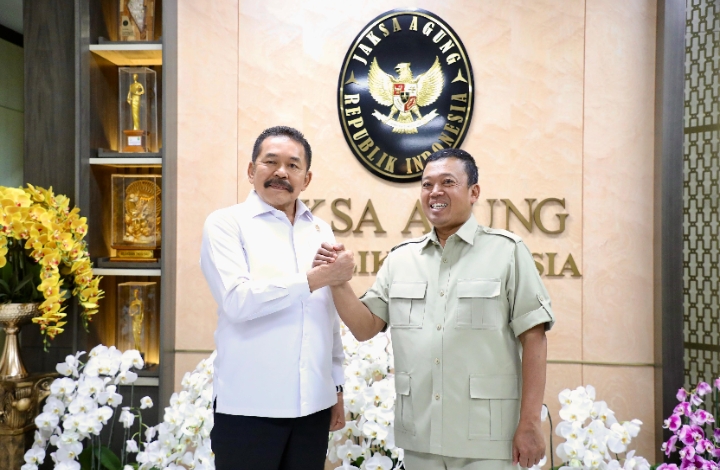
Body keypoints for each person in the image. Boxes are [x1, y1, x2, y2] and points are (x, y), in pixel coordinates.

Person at [315, 148, 555, 470]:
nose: (435, 191)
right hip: (421, 438)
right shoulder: (401, 259)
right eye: (427, 184)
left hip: (488, 438)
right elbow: (364, 327)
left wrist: (530, 422)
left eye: (447, 182)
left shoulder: (508, 252)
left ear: (474, 192)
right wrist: (337, 280)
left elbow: (534, 338)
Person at [200, 126, 354, 470]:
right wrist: (315, 279)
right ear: (251, 170)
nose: (281, 172)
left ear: (306, 178)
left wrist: (336, 385)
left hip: (313, 408)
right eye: (271, 162)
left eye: (293, 165)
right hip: (249, 409)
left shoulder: (320, 230)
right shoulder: (226, 224)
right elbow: (238, 301)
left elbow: (326, 318)